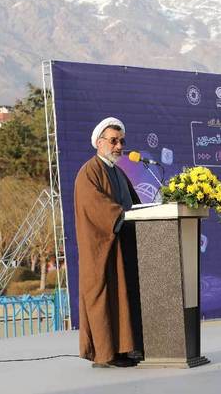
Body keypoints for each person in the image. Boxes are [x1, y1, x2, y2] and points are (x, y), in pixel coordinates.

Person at [74, 117, 144, 368]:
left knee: (123, 298)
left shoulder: (118, 172)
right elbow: (96, 207)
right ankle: (105, 355)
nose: (119, 146)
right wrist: (120, 214)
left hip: (121, 248)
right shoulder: (89, 172)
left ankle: (125, 349)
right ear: (99, 142)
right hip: (101, 250)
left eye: (121, 141)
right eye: (114, 141)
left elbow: (134, 205)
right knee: (104, 298)